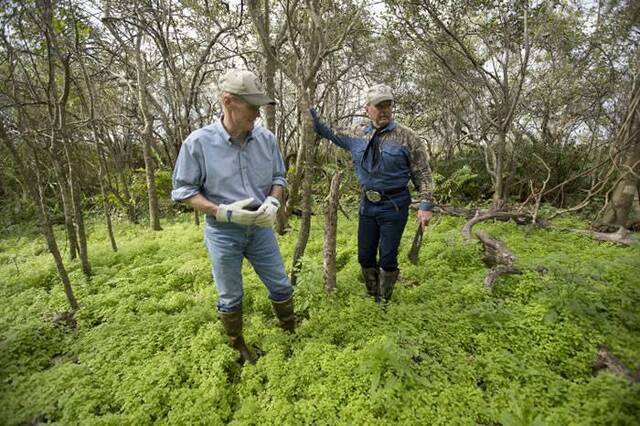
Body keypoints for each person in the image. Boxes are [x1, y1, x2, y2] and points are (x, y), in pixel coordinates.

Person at [171, 69, 294, 364]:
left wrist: (274, 202)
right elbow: (183, 190)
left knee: (280, 284)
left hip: (260, 226)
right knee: (230, 295)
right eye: (252, 107)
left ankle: (291, 329)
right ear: (228, 101)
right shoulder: (198, 143)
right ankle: (237, 345)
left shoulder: (266, 139)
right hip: (223, 230)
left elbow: (279, 176)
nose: (257, 114)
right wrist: (220, 211)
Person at [309, 84, 434, 303]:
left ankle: (383, 301)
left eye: (388, 105)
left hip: (394, 204)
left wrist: (425, 205)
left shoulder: (407, 137)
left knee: (387, 257)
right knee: (365, 255)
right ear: (367, 108)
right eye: (379, 106)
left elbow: (422, 173)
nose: (384, 110)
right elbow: (325, 130)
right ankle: (372, 291)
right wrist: (309, 110)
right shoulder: (357, 133)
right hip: (368, 204)